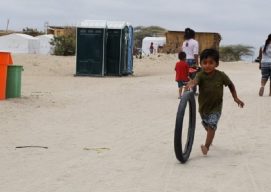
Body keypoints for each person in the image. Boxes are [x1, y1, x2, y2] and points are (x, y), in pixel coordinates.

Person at [186, 48, 244, 155]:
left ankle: (206, 147)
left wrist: (235, 98)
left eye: (211, 63)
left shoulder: (221, 75)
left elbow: (231, 85)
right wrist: (192, 84)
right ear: (201, 63)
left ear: (216, 64)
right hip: (203, 108)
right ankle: (210, 136)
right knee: (207, 126)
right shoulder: (200, 75)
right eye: (205, 63)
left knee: (212, 125)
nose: (207, 65)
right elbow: (195, 81)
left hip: (216, 108)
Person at [181, 28, 199, 94]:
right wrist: (197, 63)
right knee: (194, 77)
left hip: (185, 60)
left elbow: (182, 53)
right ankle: (193, 91)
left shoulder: (184, 42)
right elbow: (195, 54)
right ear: (193, 35)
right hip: (192, 61)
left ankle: (187, 90)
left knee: (186, 76)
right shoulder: (195, 42)